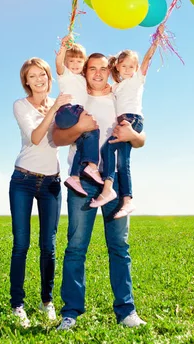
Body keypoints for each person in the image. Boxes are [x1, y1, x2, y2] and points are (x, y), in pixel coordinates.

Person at [52, 53, 147, 331]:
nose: (97, 73)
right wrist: (80, 127)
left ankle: (126, 311)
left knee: (119, 248)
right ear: (84, 72)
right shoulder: (77, 97)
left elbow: (140, 138)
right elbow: (57, 137)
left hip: (114, 182)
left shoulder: (120, 95)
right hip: (82, 181)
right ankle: (70, 313)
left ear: (110, 70)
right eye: (91, 68)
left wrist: (135, 136)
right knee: (76, 248)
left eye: (102, 68)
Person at [10, 57, 71, 328]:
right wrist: (54, 107)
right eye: (32, 76)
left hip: (52, 184)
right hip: (23, 179)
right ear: (26, 81)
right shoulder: (20, 106)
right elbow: (35, 137)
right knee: (21, 245)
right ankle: (17, 305)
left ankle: (47, 301)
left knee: (49, 247)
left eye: (42, 74)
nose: (38, 79)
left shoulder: (60, 104)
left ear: (49, 76)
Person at [91, 25, 165, 218]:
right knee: (120, 160)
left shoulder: (137, 80)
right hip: (122, 121)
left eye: (131, 66)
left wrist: (156, 40)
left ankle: (112, 192)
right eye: (124, 66)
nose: (128, 69)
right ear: (116, 66)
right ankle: (126, 200)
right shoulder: (116, 87)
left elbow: (148, 59)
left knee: (111, 152)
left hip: (132, 120)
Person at [55, 36, 103, 196]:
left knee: (82, 142)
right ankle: (92, 166)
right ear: (67, 63)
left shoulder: (82, 79)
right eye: (71, 61)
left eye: (79, 61)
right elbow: (58, 64)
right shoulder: (65, 75)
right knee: (93, 128)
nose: (75, 64)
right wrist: (63, 47)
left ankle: (74, 177)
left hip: (74, 113)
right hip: (68, 111)